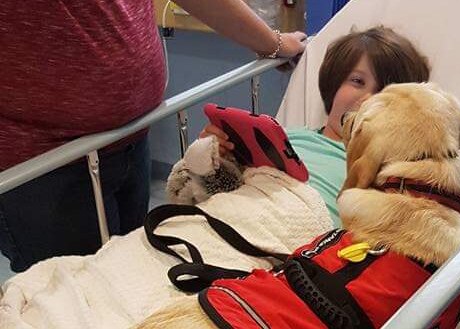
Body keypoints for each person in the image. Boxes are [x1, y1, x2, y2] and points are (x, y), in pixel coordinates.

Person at [0, 0, 306, 272]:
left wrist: (273, 43)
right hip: (43, 161)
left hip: (130, 139)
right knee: (72, 296)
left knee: (130, 271)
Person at [200, 26, 430, 226]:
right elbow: (221, 186)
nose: (369, 98)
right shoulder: (285, 137)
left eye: (385, 92)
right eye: (358, 81)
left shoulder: (393, 171)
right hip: (239, 215)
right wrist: (215, 155)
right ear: (334, 84)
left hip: (298, 245)